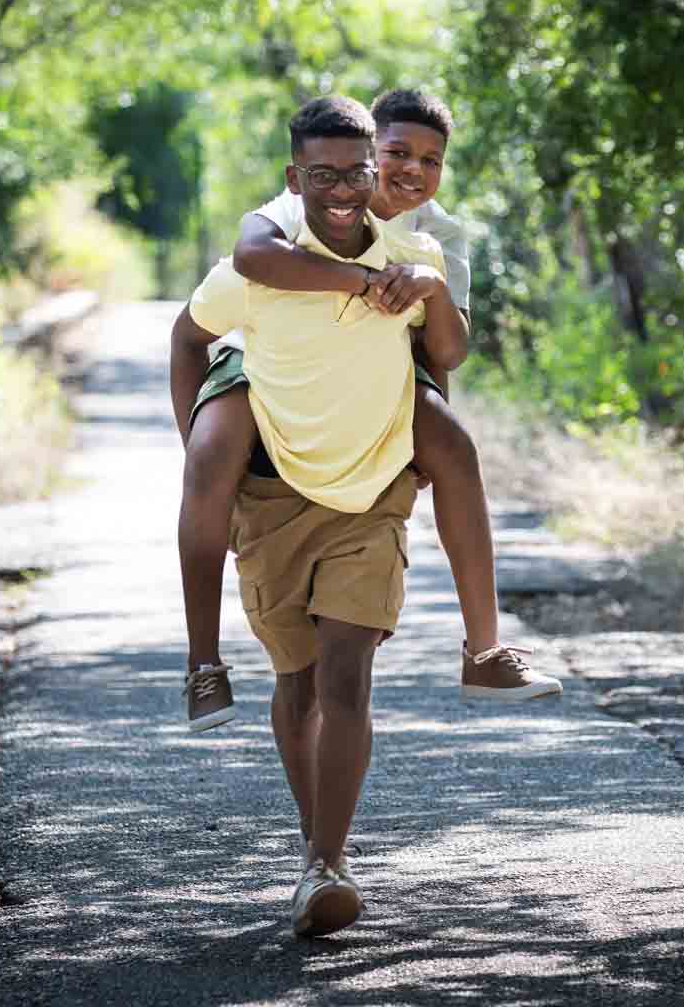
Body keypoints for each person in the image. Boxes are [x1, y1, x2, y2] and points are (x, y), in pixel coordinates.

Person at [177, 88, 559, 732]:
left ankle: (485, 650)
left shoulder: (435, 236)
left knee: (456, 446)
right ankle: (202, 663)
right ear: (366, 154)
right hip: (270, 352)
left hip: (380, 364)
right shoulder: (310, 202)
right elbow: (250, 260)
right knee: (213, 450)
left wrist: (427, 428)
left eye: (431, 161)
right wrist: (363, 282)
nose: (411, 171)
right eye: (395, 154)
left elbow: (443, 348)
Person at [169, 94, 458, 937]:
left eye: (354, 175)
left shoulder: (412, 258)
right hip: (274, 498)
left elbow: (443, 357)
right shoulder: (263, 264)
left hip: (368, 498)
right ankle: (313, 843)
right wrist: (192, 436)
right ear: (295, 180)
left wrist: (426, 441)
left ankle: (329, 863)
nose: (340, 189)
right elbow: (190, 335)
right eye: (321, 176)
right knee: (296, 685)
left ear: (375, 179)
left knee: (347, 674)